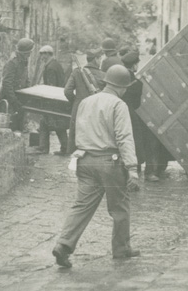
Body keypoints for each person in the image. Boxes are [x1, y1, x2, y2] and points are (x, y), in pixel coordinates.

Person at [52, 65, 141, 268]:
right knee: (120, 207)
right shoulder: (119, 105)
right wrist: (132, 168)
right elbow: (124, 137)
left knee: (82, 205)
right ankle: (121, 249)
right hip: (110, 162)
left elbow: (75, 129)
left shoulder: (86, 101)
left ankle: (64, 244)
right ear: (122, 87)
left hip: (85, 160)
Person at [64, 48, 105, 153]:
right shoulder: (103, 75)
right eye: (100, 59)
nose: (100, 61)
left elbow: (67, 91)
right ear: (96, 59)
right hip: (95, 110)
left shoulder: (77, 72)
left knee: (77, 139)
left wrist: (76, 102)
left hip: (79, 110)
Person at [36, 45, 69, 155]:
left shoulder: (50, 67)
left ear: (48, 54)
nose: (42, 57)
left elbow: (51, 86)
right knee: (57, 124)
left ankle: (44, 148)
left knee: (48, 122)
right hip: (59, 98)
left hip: (53, 99)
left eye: (43, 55)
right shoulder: (56, 64)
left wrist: (46, 99)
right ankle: (64, 148)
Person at [120, 51, 148, 176]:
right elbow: (136, 105)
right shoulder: (137, 84)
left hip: (116, 113)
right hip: (129, 114)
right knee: (134, 141)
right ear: (134, 66)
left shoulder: (117, 78)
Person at [0, 38, 35, 132]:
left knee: (20, 127)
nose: (29, 55)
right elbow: (7, 83)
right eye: (29, 53)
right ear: (24, 52)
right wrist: (14, 101)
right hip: (12, 100)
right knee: (12, 127)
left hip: (20, 98)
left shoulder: (23, 62)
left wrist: (28, 92)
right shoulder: (12, 63)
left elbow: (26, 79)